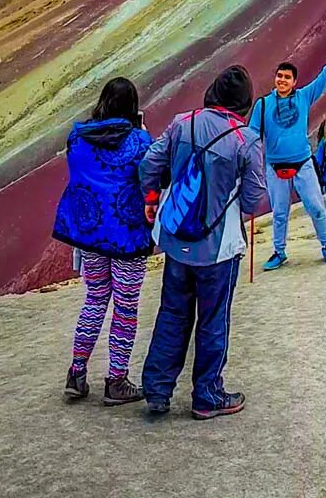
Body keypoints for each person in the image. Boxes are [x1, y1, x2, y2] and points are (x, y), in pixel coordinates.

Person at [139, 66, 269, 419]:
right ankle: (207, 396)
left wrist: (152, 198)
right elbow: (255, 199)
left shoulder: (183, 122)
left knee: (172, 313)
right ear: (244, 101)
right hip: (219, 248)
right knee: (213, 319)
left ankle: (157, 390)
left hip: (177, 239)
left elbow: (150, 162)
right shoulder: (246, 139)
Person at [51, 77, 156, 405]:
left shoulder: (77, 137)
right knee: (125, 307)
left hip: (90, 233)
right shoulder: (140, 141)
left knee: (95, 299)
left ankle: (77, 372)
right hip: (127, 236)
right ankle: (117, 380)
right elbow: (150, 176)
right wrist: (142, 131)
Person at [249, 35, 326, 270]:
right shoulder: (262, 105)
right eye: (279, 76)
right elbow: (252, 136)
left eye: (287, 77)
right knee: (280, 213)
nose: (281, 80)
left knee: (315, 206)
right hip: (274, 167)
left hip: (302, 163)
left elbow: (323, 80)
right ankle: (279, 251)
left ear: (294, 82)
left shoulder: (303, 97)